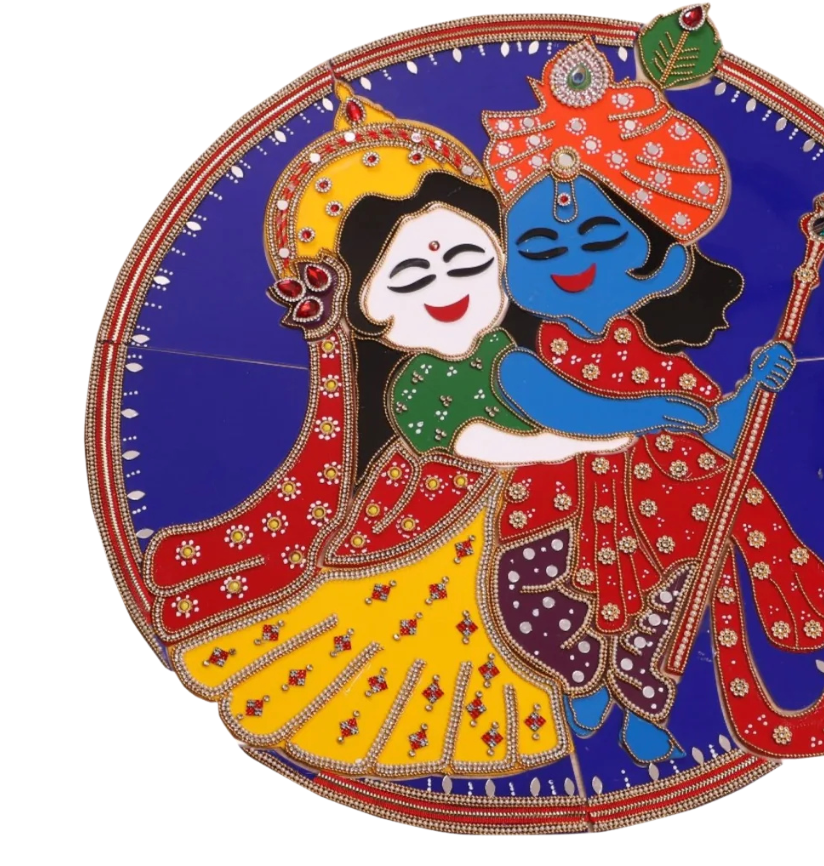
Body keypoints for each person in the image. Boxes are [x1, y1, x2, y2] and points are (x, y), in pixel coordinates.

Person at [142, 87, 625, 781]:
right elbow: (478, 443)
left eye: (466, 263)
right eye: (411, 276)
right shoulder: (416, 386)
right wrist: (570, 444)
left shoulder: (517, 355)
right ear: (371, 311)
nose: (445, 286)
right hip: (440, 537)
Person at [480, 40, 824, 760]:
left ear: (663, 264)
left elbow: (717, 434)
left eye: (602, 238)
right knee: (534, 602)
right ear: (506, 272)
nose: (572, 261)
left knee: (664, 611)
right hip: (555, 506)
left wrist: (754, 386)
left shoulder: (665, 368)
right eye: (540, 249)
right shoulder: (517, 358)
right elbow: (552, 404)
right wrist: (643, 414)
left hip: (662, 516)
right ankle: (577, 677)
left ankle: (645, 707)